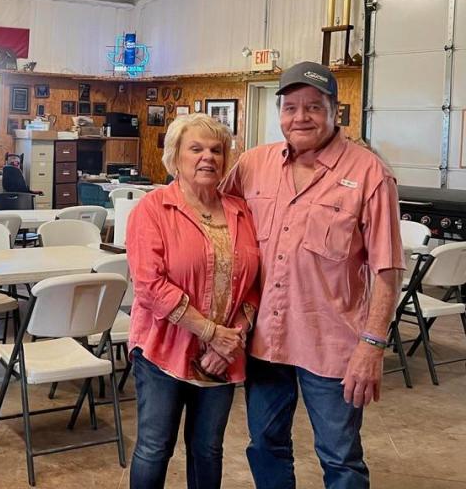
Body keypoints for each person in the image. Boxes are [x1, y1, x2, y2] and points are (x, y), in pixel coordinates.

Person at [222, 61, 404, 489]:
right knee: (265, 444)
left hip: (333, 346)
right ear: (279, 112)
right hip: (265, 339)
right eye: (290, 107)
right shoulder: (253, 164)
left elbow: (387, 270)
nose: (299, 117)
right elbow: (211, 213)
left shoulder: (369, 174)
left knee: (340, 458)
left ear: (334, 111)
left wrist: (372, 346)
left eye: (312, 107)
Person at [126, 113, 260, 489]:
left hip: (223, 355)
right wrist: (210, 332)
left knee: (207, 450)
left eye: (216, 150)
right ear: (176, 156)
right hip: (163, 351)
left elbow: (254, 282)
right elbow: (150, 286)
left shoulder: (240, 211)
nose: (208, 157)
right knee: (155, 447)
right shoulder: (152, 209)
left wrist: (231, 337)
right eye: (196, 148)